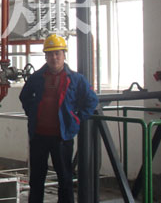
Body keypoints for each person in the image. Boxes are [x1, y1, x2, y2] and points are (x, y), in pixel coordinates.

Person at [19, 34, 98, 203]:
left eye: (57, 53)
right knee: (37, 178)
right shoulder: (37, 78)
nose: (54, 57)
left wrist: (76, 119)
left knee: (65, 178)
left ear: (64, 55)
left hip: (61, 137)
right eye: (50, 53)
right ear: (45, 56)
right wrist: (33, 113)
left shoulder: (76, 79)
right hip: (39, 136)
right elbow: (24, 96)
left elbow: (92, 100)